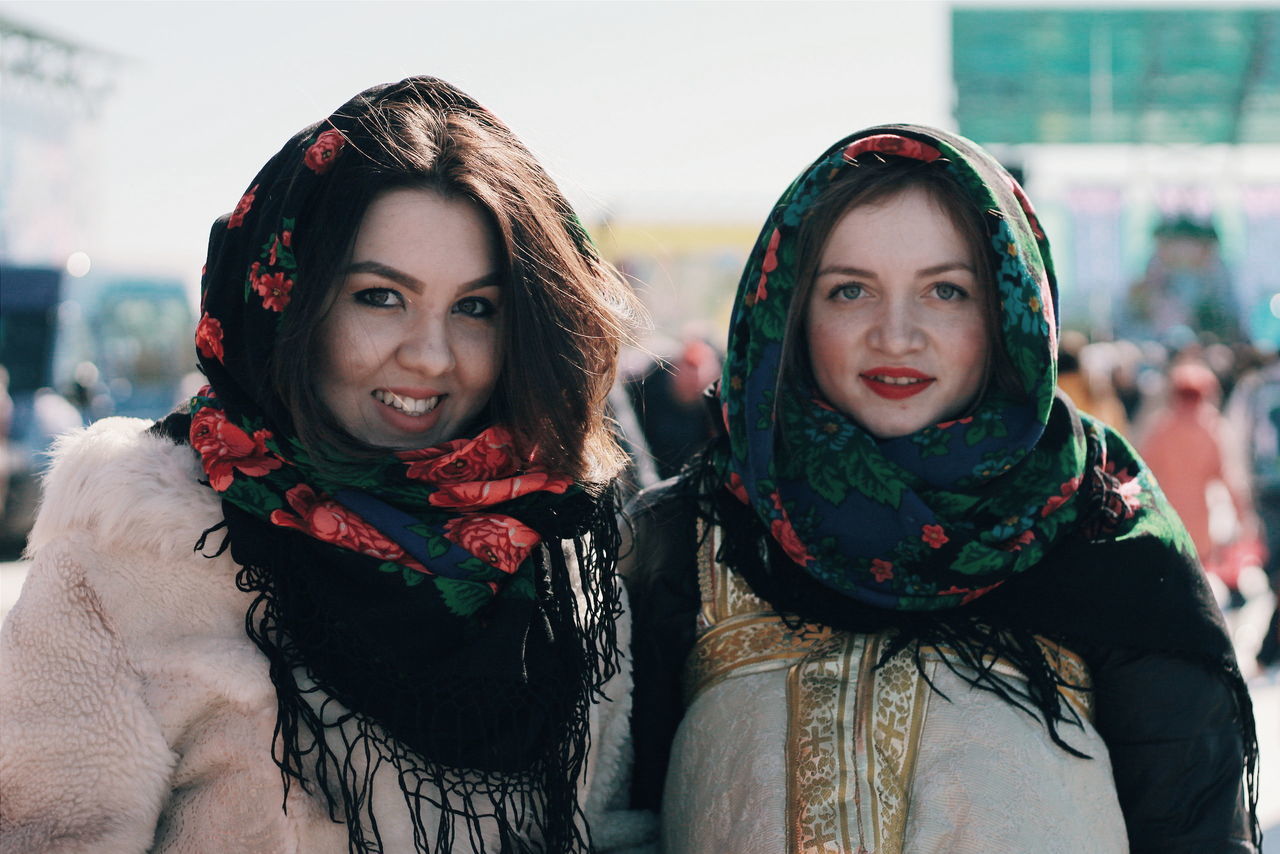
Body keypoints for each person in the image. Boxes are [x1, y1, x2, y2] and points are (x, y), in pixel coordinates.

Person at [0, 77, 644, 853]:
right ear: (284, 300)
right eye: (380, 297)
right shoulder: (130, 557)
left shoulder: (558, 559)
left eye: (477, 307)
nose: (432, 356)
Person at [625, 125, 1260, 852]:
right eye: (849, 290)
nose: (897, 334)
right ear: (791, 311)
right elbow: (618, 822)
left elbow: (1193, 834)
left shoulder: (1106, 539)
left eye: (947, 290)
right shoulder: (690, 538)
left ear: (1009, 313)